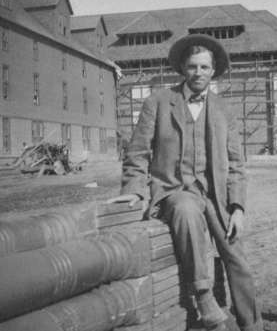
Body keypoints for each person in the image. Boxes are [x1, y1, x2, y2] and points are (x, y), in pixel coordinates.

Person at [108, 34, 262, 331]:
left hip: (215, 196)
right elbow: (138, 152)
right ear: (182, 68)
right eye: (193, 67)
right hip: (175, 190)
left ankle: (252, 326)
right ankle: (203, 296)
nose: (199, 73)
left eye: (205, 67)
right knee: (187, 212)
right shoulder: (158, 102)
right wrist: (133, 191)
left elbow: (236, 164)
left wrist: (239, 208)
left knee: (237, 258)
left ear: (213, 70)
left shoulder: (223, 109)